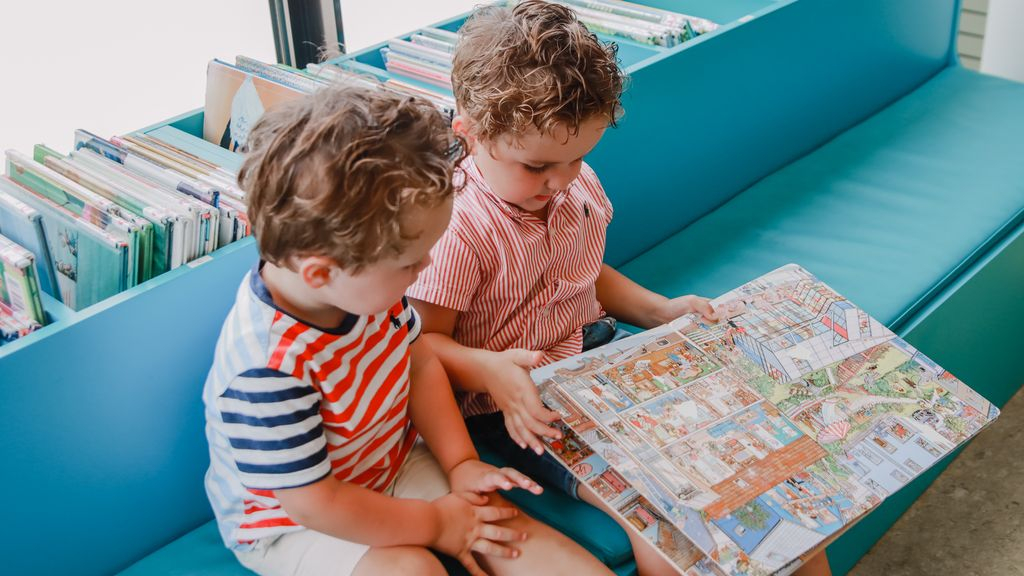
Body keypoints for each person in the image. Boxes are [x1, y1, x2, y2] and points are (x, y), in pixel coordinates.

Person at [409, 3, 831, 575]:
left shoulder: (571, 183)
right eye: (536, 167)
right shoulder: (457, 227)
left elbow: (584, 272)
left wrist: (658, 310)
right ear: (471, 134)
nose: (558, 181)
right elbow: (423, 347)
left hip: (605, 364)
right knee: (663, 521)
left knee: (770, 477)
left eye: (578, 157)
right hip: (521, 406)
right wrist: (491, 372)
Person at [202, 83, 612, 576]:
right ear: (319, 272)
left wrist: (460, 464)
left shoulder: (367, 289)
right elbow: (315, 503)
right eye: (410, 262)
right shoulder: (267, 371)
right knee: (412, 568)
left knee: (498, 522)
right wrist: (435, 524)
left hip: (390, 460)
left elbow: (417, 361)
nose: (428, 267)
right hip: (294, 523)